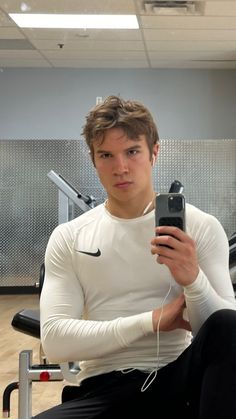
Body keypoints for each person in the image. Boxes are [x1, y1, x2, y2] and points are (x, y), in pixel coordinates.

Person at [35, 95, 236, 419]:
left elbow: (226, 334)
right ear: (93, 159)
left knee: (228, 323)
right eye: (106, 155)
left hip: (180, 381)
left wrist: (193, 281)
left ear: (154, 151)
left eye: (132, 151)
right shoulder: (70, 237)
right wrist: (151, 321)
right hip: (102, 387)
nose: (121, 167)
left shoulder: (200, 227)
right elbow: (56, 340)